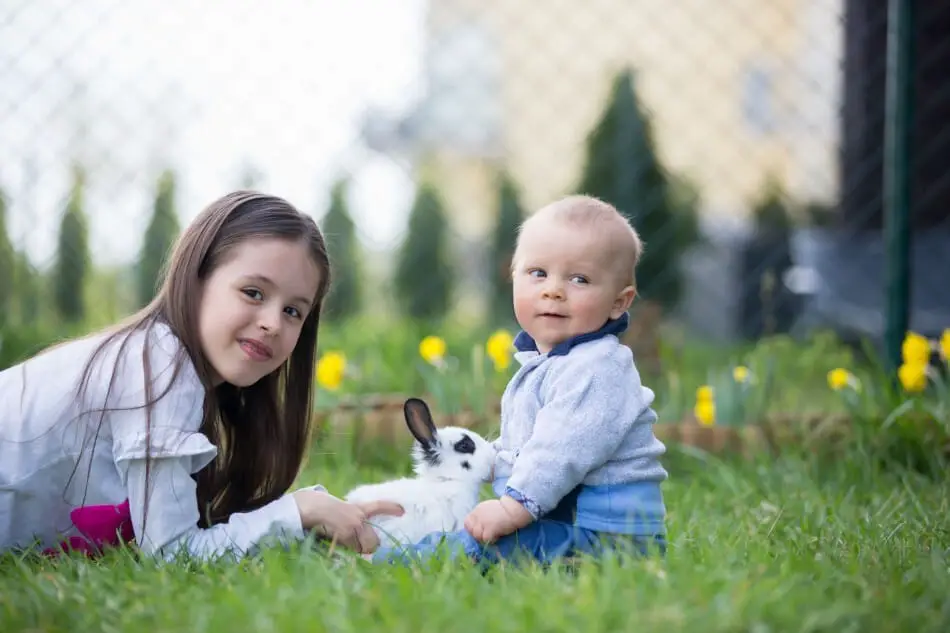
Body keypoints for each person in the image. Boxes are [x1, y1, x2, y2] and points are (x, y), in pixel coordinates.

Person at [0, 190, 403, 561]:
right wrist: (298, 513)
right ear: (198, 277)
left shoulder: (165, 361)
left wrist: (313, 516)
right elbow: (171, 552)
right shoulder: (157, 368)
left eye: (293, 311)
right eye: (253, 292)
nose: (272, 323)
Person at [373, 194, 668, 567]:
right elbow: (528, 446)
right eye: (538, 273)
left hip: (611, 541)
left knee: (485, 546)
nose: (553, 290)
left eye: (579, 279)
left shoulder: (596, 369)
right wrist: (489, 462)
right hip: (575, 524)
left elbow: (561, 452)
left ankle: (392, 560)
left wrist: (513, 508)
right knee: (486, 534)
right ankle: (392, 541)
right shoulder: (551, 362)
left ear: (618, 303)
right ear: (513, 277)